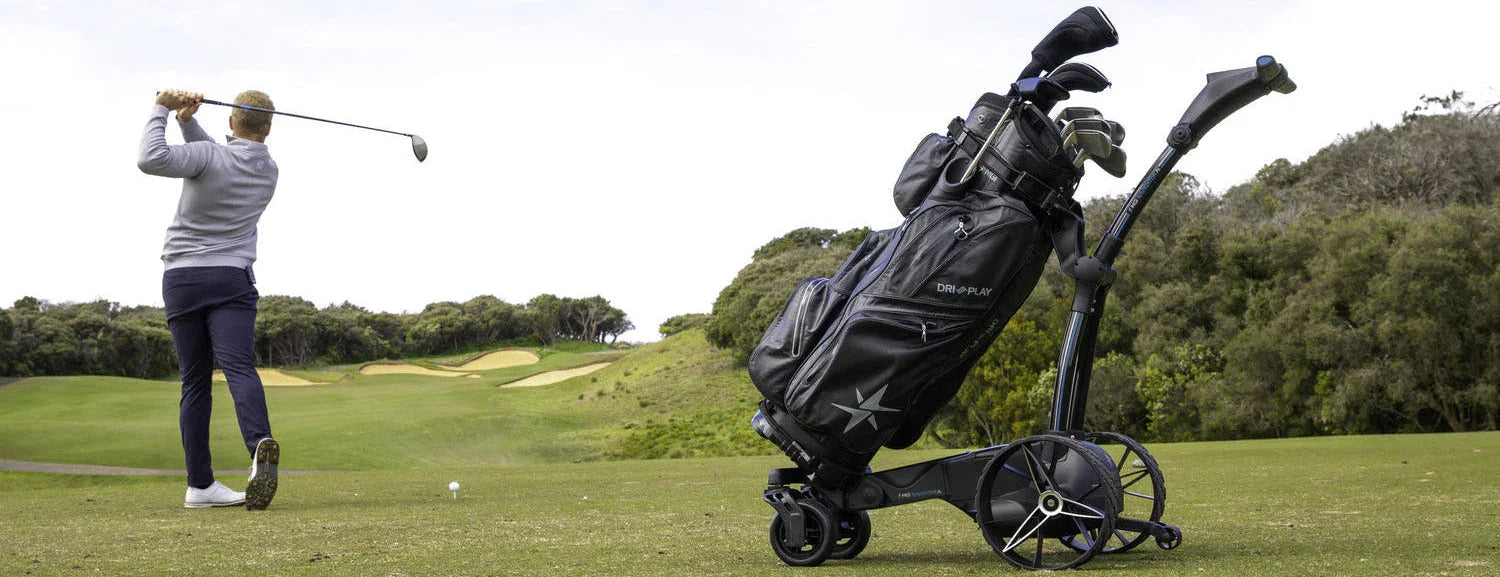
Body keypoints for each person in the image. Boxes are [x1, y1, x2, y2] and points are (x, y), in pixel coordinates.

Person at [138, 89, 281, 510]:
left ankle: (200, 485)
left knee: (195, 382)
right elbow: (216, 155)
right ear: (268, 127)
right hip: (230, 278)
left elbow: (151, 158)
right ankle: (258, 447)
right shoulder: (268, 170)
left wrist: (162, 108)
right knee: (238, 367)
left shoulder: (209, 157)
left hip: (181, 278)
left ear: (232, 123)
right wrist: (186, 122)